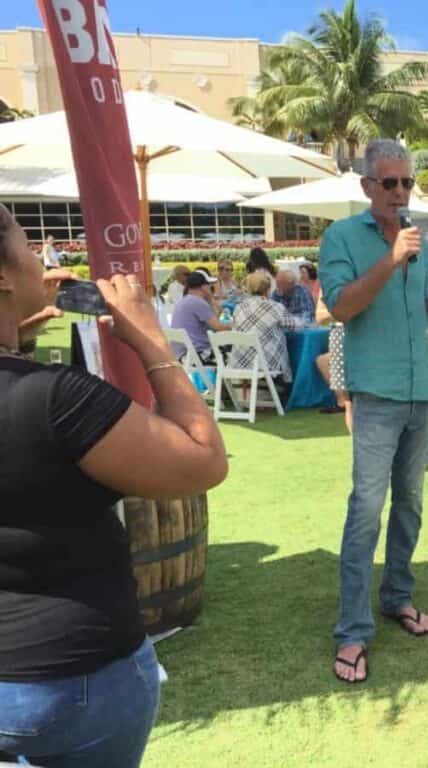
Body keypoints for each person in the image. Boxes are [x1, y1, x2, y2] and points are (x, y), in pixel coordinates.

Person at [0, 204, 227, 767]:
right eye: (30, 247)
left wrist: (16, 349)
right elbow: (203, 462)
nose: (44, 261)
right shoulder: (58, 397)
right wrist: (151, 339)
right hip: (79, 678)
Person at [318, 140, 428, 684]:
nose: (401, 192)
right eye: (390, 183)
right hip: (375, 392)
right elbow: (342, 305)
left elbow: (406, 304)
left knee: (412, 504)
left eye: (407, 183)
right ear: (367, 187)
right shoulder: (342, 237)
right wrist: (391, 259)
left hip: (420, 388)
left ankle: (396, 595)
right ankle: (352, 631)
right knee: (366, 510)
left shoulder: (417, 243)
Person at [229, 271, 303, 384]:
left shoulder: (239, 307)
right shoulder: (275, 307)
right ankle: (285, 388)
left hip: (240, 361)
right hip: (267, 362)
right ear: (268, 289)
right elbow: (296, 326)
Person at [170, 271, 231, 364]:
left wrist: (210, 300)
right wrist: (234, 326)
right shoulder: (198, 302)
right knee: (234, 357)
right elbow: (219, 327)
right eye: (209, 285)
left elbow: (216, 320)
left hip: (180, 354)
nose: (211, 287)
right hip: (195, 355)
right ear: (203, 286)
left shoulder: (184, 300)